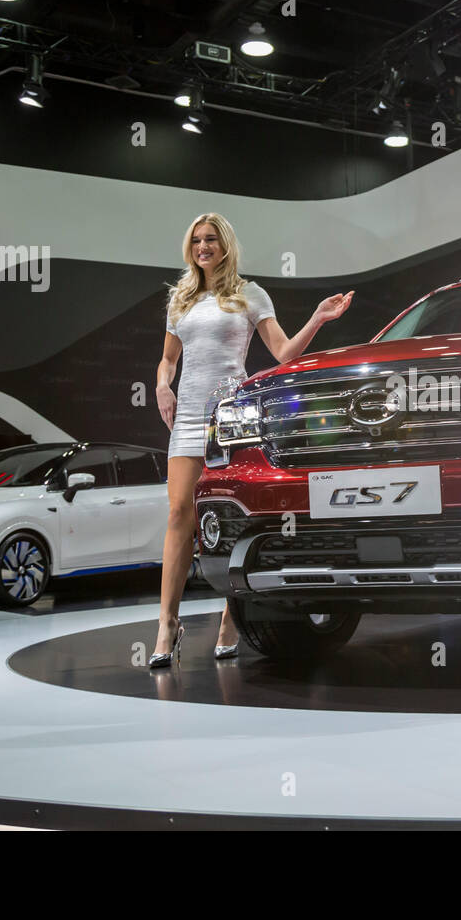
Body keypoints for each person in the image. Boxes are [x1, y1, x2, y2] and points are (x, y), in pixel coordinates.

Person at [150, 213, 354, 668]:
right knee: (179, 512)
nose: (204, 246)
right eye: (197, 240)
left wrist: (318, 318)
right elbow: (167, 360)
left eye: (212, 239)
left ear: (226, 245)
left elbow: (283, 353)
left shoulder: (249, 293)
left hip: (231, 418)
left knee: (232, 515)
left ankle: (231, 614)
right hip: (186, 418)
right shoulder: (179, 299)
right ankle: (167, 622)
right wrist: (163, 385)